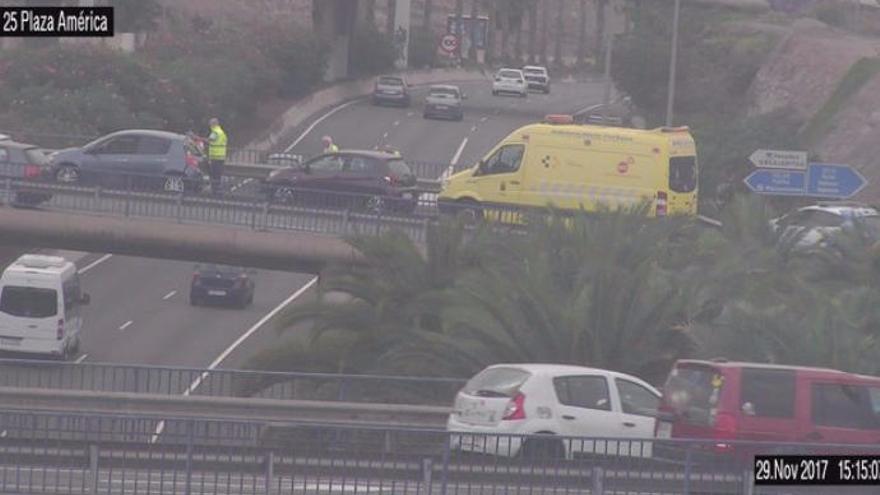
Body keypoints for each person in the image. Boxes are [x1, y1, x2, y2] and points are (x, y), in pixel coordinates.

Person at [203, 117, 227, 195]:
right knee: (218, 175)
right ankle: (217, 190)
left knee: (214, 174)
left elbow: (209, 140)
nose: (209, 126)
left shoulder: (215, 132)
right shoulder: (221, 132)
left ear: (213, 124)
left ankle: (215, 191)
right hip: (221, 157)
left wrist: (197, 138)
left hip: (215, 157)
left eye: (210, 124)